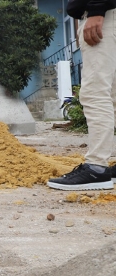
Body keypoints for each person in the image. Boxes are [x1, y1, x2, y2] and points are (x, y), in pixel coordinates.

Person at [48, 0, 116, 190]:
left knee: (96, 92)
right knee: (113, 95)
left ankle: (96, 168)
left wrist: (96, 8)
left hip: (105, 15)